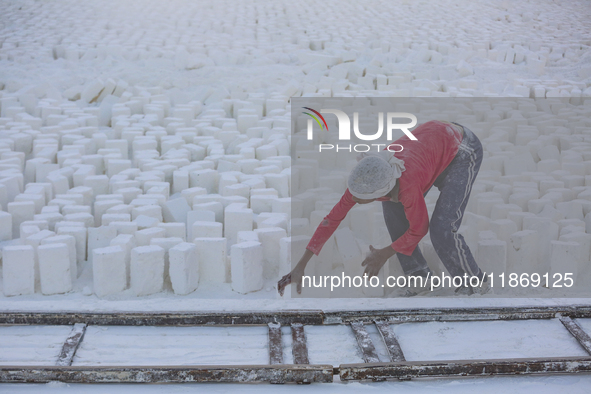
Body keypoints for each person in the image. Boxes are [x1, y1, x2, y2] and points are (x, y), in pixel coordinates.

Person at [278, 120, 486, 296]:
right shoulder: (367, 177)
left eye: (361, 199)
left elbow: (419, 229)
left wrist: (384, 253)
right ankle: (420, 277)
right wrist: (300, 265)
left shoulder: (408, 185)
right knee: (393, 207)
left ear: (377, 192)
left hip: (461, 149)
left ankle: (474, 284)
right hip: (432, 146)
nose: (355, 201)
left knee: (441, 228)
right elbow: (331, 219)